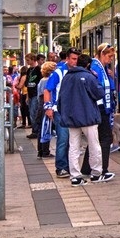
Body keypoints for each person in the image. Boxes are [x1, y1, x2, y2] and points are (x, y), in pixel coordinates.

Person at [58, 52, 106, 187]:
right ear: (88, 65)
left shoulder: (67, 78)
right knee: (94, 145)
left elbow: (61, 97)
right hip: (88, 117)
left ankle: (75, 176)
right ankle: (96, 173)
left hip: (71, 118)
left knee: (73, 147)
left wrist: (63, 114)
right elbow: (99, 94)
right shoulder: (88, 77)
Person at [81, 43, 116, 181]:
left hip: (101, 106)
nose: (111, 59)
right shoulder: (96, 67)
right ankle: (103, 169)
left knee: (95, 139)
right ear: (101, 54)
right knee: (105, 138)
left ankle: (86, 167)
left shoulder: (102, 67)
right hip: (100, 107)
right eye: (109, 56)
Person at [44, 50, 71, 178]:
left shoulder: (77, 71)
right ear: (67, 59)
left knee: (72, 141)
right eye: (73, 58)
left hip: (73, 111)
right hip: (60, 110)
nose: (75, 62)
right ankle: (61, 167)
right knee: (63, 139)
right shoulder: (59, 72)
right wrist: (48, 107)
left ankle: (69, 166)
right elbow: (47, 89)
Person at [36, 61, 56, 158]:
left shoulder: (41, 80)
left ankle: (40, 150)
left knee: (41, 128)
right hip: (46, 104)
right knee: (46, 128)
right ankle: (45, 150)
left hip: (40, 104)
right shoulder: (49, 81)